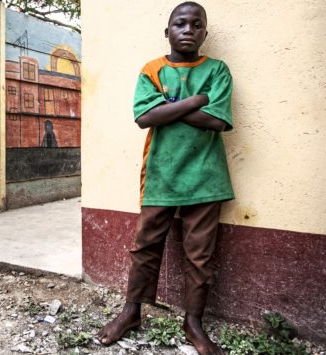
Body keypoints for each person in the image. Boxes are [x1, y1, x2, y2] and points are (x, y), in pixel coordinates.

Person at [94, 2, 234, 355]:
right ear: (167, 31)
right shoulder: (152, 70)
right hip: (160, 174)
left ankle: (193, 323)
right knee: (145, 248)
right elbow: (144, 118)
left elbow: (217, 121)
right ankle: (130, 312)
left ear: (205, 32)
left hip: (206, 176)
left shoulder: (218, 70)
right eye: (180, 23)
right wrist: (197, 100)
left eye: (196, 24)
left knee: (199, 255)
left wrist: (168, 109)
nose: (188, 29)